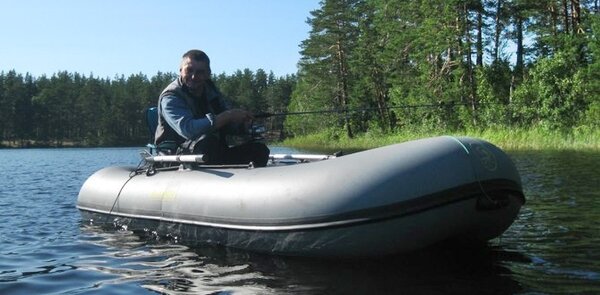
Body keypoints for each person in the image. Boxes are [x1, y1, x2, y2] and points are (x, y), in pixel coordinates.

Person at [155, 49, 270, 167]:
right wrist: (228, 116)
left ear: (208, 74)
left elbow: (226, 124)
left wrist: (243, 125)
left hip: (211, 153)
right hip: (176, 158)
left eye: (200, 72)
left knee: (259, 151)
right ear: (180, 70)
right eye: (189, 70)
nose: (194, 76)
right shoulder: (171, 97)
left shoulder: (211, 93)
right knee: (207, 143)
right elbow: (188, 130)